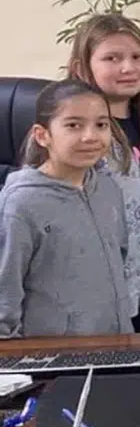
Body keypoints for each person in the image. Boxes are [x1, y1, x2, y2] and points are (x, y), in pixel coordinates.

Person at [0, 80, 131, 338]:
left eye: (101, 125)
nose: (90, 136)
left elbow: (120, 257)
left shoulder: (108, 188)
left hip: (115, 343)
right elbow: (5, 294)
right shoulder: (20, 204)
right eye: (73, 125)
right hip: (54, 353)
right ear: (42, 135)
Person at [66, 13, 140, 332]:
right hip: (90, 302)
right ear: (82, 67)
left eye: (138, 57)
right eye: (112, 58)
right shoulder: (70, 135)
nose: (128, 67)